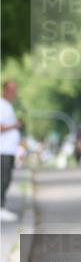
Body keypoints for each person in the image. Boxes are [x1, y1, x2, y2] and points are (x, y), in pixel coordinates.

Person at [1, 80, 22, 222]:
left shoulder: (8, 106)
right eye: (11, 89)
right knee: (3, 179)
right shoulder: (2, 105)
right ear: (4, 90)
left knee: (6, 179)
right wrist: (15, 125)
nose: (14, 93)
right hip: (2, 149)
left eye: (15, 89)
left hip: (9, 149)